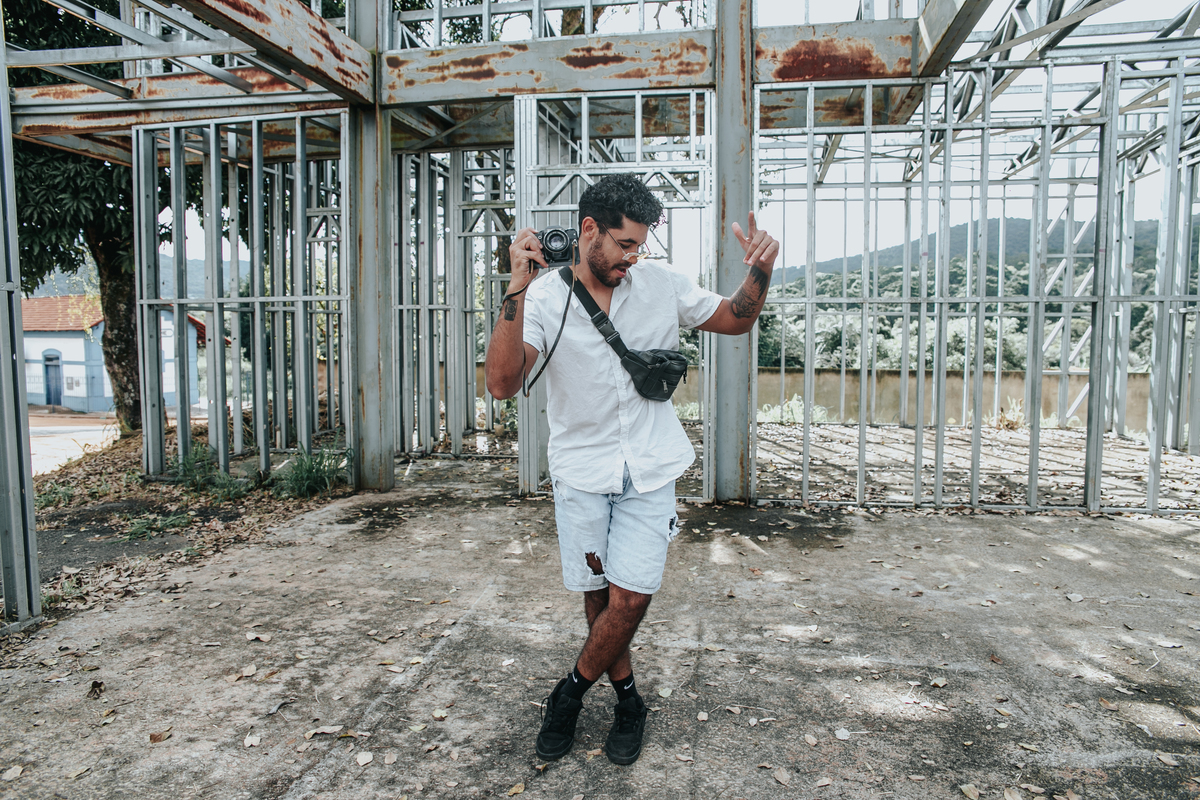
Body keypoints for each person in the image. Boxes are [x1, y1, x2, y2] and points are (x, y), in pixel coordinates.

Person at [483, 174, 778, 766]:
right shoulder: (541, 299)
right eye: (624, 244)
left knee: (633, 594)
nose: (632, 257)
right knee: (599, 594)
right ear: (589, 230)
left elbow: (736, 318)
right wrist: (516, 287)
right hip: (581, 471)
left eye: (641, 245)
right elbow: (502, 382)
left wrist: (761, 270)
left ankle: (567, 695)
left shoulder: (660, 286)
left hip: (650, 468)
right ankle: (627, 699)